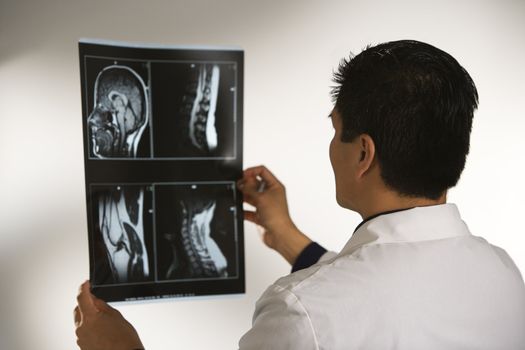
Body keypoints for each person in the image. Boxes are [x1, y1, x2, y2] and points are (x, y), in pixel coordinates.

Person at [74, 40, 525, 349]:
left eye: (336, 131)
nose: (332, 147)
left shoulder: (300, 310)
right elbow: (387, 292)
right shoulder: (503, 274)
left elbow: (336, 305)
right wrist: (287, 236)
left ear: (363, 152)